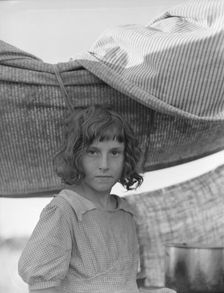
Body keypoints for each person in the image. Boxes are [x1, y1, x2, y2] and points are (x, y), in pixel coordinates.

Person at [18, 105, 143, 293]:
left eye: (114, 152)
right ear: (76, 156)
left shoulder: (126, 215)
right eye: (93, 152)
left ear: (126, 157)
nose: (104, 165)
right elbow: (42, 287)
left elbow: (124, 285)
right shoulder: (64, 211)